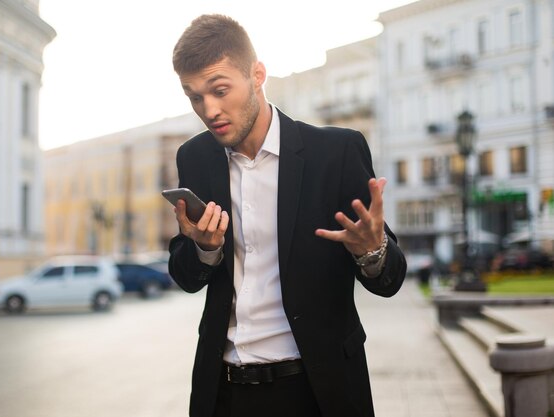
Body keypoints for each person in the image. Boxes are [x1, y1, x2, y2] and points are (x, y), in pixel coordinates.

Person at [167, 14, 407, 417]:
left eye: (220, 89)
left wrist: (373, 250)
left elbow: (390, 280)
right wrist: (205, 250)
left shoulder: (335, 153)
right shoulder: (195, 157)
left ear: (257, 75)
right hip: (224, 392)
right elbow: (185, 277)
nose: (209, 110)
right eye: (194, 97)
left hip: (317, 391)